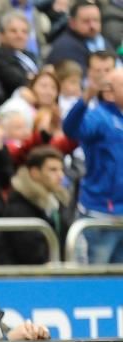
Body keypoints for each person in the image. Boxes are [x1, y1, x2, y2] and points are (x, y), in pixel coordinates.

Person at [61, 69, 123, 263]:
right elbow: (71, 129)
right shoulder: (99, 116)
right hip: (102, 211)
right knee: (96, 277)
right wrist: (84, 100)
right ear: (109, 92)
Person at [0, 146, 71, 265]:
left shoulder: (57, 202)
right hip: (21, 280)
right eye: (53, 170)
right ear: (35, 173)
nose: (60, 175)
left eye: (61, 170)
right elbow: (34, 256)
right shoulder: (19, 208)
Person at [45, 0, 105, 74]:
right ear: (72, 23)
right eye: (86, 21)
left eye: (96, 20)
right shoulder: (65, 47)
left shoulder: (100, 39)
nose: (92, 26)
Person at [0, 10, 41, 98]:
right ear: (2, 35)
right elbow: (19, 81)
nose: (20, 36)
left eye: (24, 32)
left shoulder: (31, 55)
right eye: (13, 31)